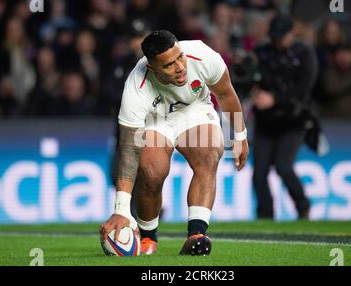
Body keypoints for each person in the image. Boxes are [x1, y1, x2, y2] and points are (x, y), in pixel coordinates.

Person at [99, 30, 249, 256]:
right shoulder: (135, 89)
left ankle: (196, 235)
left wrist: (240, 135)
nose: (180, 66)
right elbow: (129, 150)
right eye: (169, 65)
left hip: (194, 109)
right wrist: (121, 209)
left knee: (209, 153)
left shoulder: (202, 55)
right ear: (152, 68)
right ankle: (149, 238)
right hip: (155, 120)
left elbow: (227, 94)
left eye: (180, 57)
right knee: (151, 171)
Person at [252, 14, 317, 219]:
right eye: (275, 36)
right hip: (265, 122)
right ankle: (265, 216)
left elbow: (303, 90)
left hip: (293, 121)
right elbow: (248, 79)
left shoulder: (305, 54)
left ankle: (302, 206)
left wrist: (275, 99)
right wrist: (254, 92)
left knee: (283, 166)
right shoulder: (261, 53)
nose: (277, 41)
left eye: (281, 36)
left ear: (291, 34)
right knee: (259, 173)